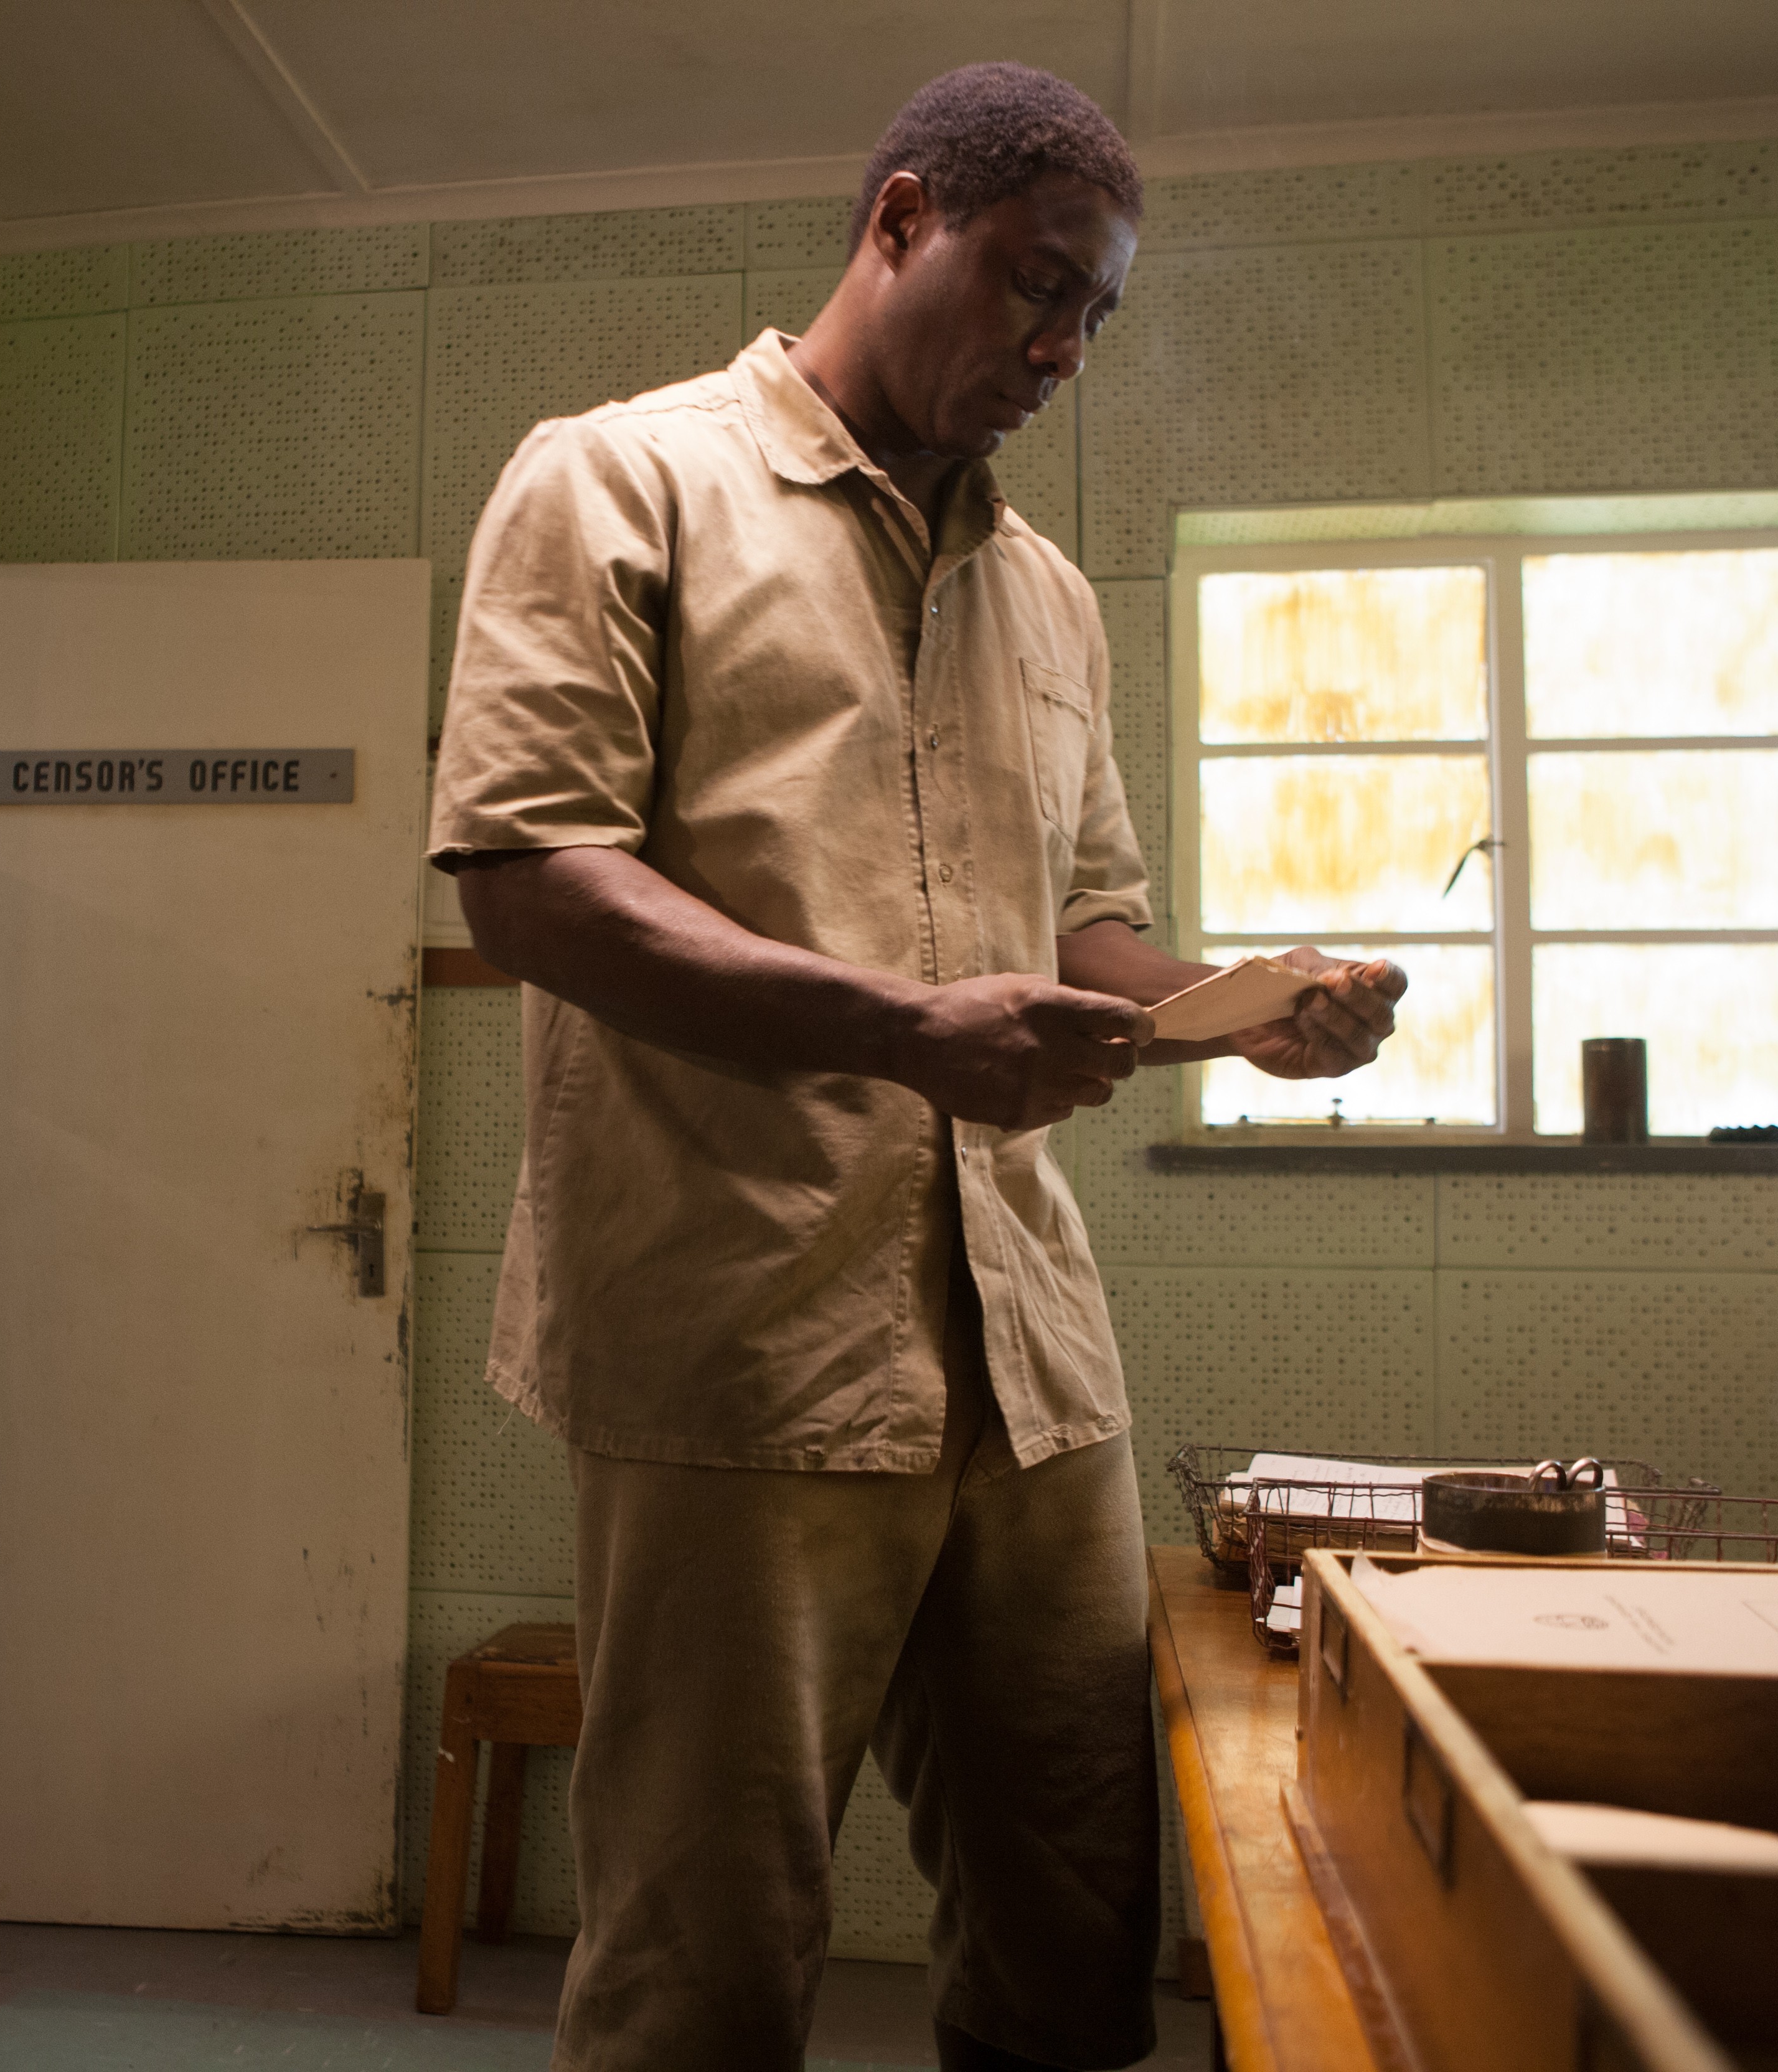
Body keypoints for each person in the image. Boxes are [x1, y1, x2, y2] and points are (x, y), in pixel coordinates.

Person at [426, 62, 1406, 2072]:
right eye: (1038, 285)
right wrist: (901, 1030)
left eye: (1095, 317)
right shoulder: (621, 483)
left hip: (1026, 1359)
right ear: (897, 222)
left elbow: (1084, 923)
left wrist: (1241, 1004)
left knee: (1078, 1935)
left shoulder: (1046, 594)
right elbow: (525, 881)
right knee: (703, 1966)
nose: (1063, 353)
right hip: (740, 1342)